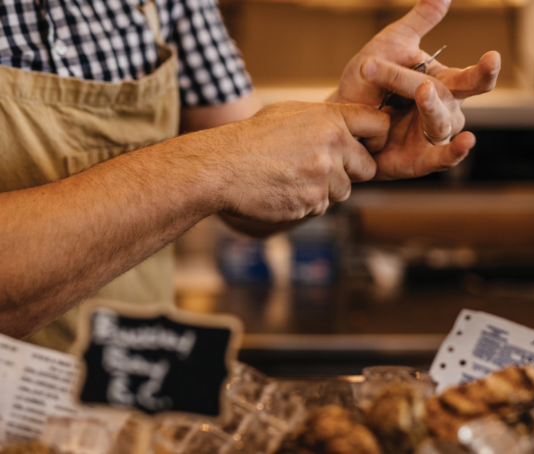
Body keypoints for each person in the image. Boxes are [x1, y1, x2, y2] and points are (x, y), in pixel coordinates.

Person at [0, 0, 500, 349]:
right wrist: (223, 162)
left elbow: (254, 188)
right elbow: (235, 157)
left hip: (126, 392)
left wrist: (350, 125)